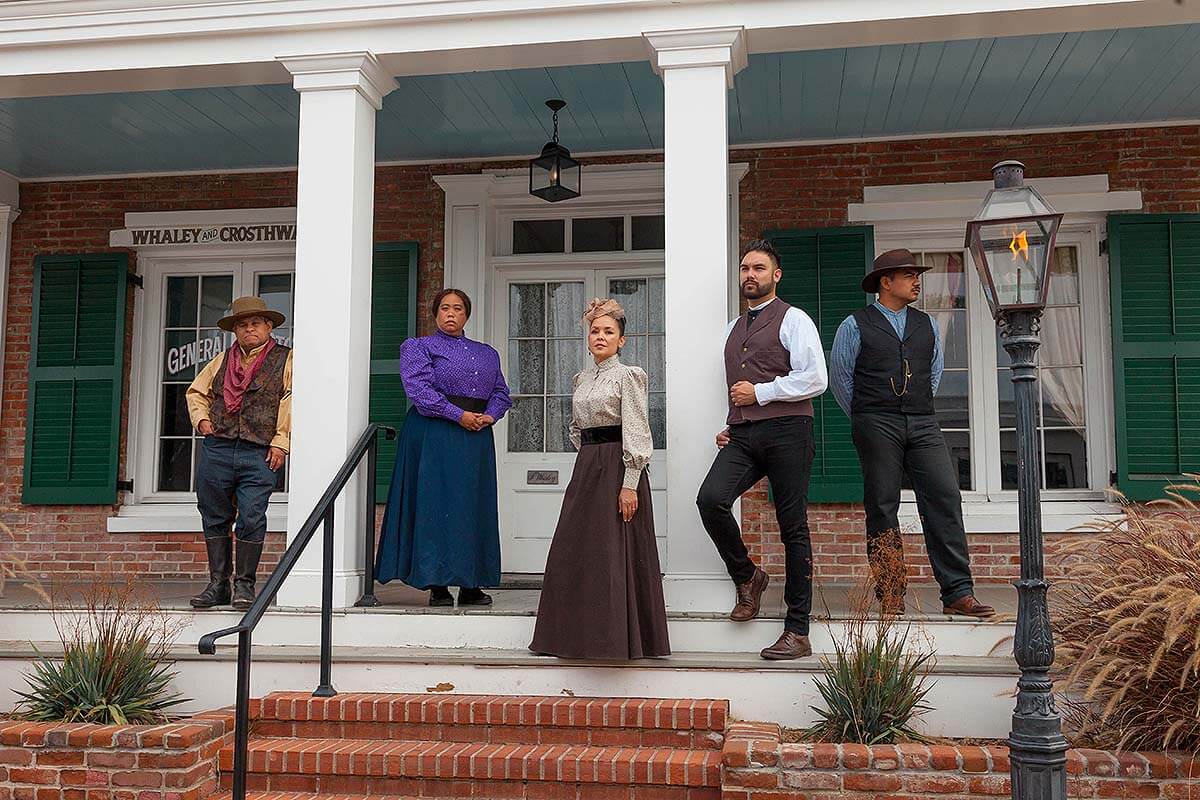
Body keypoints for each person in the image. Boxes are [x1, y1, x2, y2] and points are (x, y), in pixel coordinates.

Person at [829, 248, 995, 618]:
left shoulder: (928, 324)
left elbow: (934, 373)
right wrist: (867, 416)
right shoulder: (855, 325)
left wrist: (914, 404)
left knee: (945, 497)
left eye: (916, 276)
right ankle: (890, 593)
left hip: (922, 420)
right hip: (875, 421)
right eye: (908, 275)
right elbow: (841, 380)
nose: (917, 281)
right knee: (883, 505)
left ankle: (957, 592)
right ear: (886, 283)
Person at [696, 239, 828, 661]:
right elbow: (739, 386)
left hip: (790, 430)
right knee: (711, 499)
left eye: (758, 268)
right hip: (745, 434)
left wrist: (763, 393)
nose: (749, 275)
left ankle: (798, 630)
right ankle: (748, 576)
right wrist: (733, 421)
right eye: (744, 269)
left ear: (776, 275)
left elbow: (816, 378)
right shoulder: (734, 328)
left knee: (793, 529)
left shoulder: (795, 319)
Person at [530, 298, 670, 660]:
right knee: (575, 549)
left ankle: (617, 638)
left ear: (621, 340)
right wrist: (588, 460)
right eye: (595, 331)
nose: (601, 337)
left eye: (609, 331)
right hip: (588, 467)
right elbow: (576, 428)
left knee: (614, 550)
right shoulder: (581, 378)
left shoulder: (629, 375)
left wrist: (629, 482)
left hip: (619, 468)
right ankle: (573, 635)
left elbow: (637, 428)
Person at [375, 288, 511, 607]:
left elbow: (502, 393)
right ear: (435, 313)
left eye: (458, 309)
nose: (451, 314)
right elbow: (419, 391)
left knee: (471, 506)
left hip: (475, 437)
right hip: (433, 433)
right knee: (435, 504)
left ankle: (470, 584)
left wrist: (488, 416)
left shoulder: (488, 353)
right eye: (445, 308)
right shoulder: (419, 347)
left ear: (467, 315)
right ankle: (436, 583)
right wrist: (458, 415)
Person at [187, 296, 291, 611]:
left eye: (255, 324)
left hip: (259, 451)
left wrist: (281, 441)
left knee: (252, 516)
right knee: (214, 514)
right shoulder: (220, 360)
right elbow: (196, 391)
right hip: (218, 447)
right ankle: (218, 585)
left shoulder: (286, 359)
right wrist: (202, 421)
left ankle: (244, 586)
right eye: (243, 325)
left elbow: (290, 398)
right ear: (235, 331)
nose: (249, 330)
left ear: (268, 326)